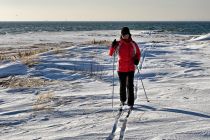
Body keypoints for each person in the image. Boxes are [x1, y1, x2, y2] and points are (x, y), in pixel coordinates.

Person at [109, 27, 141, 109]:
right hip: (121, 68)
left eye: (126, 34)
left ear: (129, 34)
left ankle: (130, 102)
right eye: (123, 35)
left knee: (130, 85)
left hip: (130, 67)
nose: (125, 36)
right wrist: (112, 46)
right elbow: (111, 54)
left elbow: (138, 53)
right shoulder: (118, 44)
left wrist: (137, 60)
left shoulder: (133, 43)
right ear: (121, 35)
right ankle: (122, 100)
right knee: (122, 85)